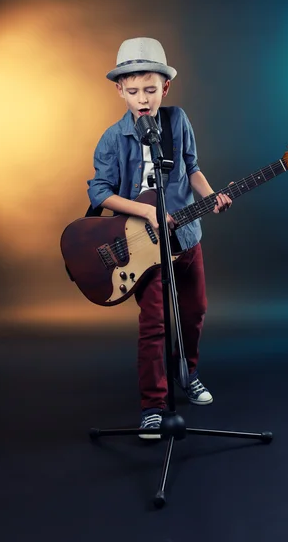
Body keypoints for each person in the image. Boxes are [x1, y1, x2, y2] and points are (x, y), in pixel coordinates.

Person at [87, 37, 232, 439]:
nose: (142, 99)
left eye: (150, 90)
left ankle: (188, 372)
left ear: (165, 87)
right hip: (144, 247)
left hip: (186, 235)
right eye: (132, 91)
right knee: (153, 323)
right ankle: (153, 405)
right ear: (120, 90)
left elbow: (192, 167)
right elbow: (99, 192)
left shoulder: (177, 121)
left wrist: (212, 195)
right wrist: (147, 210)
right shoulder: (113, 138)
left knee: (195, 310)